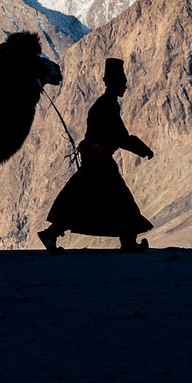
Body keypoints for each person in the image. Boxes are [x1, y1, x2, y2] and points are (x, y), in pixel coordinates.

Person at [39, 58, 154, 253]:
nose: (126, 86)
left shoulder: (104, 103)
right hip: (99, 162)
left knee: (80, 200)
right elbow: (121, 137)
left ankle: (52, 234)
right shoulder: (108, 106)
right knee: (121, 200)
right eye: (122, 82)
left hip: (94, 160)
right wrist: (143, 150)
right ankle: (128, 241)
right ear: (115, 83)